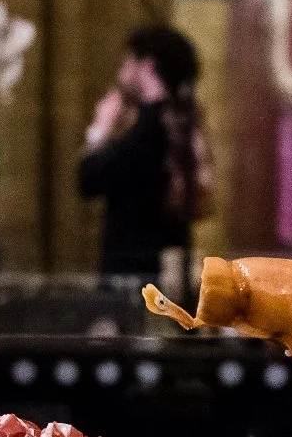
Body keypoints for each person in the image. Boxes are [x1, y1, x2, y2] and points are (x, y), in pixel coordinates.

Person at [80, 25, 213, 279]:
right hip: (165, 272)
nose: (122, 70)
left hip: (135, 281)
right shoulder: (179, 124)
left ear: (147, 66)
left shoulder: (150, 130)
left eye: (128, 61)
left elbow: (88, 179)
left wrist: (100, 128)